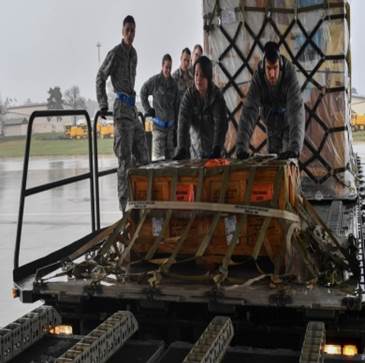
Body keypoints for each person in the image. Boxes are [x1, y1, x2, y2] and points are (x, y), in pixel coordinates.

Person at [96, 15, 149, 212]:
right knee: (124, 161)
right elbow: (100, 76)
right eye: (127, 30)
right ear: (122, 31)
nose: (130, 34)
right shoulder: (115, 54)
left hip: (133, 111)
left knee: (143, 156)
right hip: (120, 112)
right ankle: (124, 209)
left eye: (133, 30)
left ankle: (142, 203)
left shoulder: (134, 54)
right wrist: (102, 104)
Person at [236, 41, 305, 160]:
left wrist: (295, 147)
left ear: (281, 65)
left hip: (288, 120)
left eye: (275, 68)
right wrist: (241, 147)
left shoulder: (289, 73)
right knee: (273, 159)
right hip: (271, 120)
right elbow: (249, 111)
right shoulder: (258, 77)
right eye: (269, 68)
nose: (272, 74)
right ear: (263, 66)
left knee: (289, 159)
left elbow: (296, 110)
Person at [174, 55, 228, 160]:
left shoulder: (216, 96)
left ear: (208, 77)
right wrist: (181, 148)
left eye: (202, 75)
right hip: (196, 153)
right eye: (196, 74)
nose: (198, 79)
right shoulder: (189, 96)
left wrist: (217, 148)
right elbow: (183, 123)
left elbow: (221, 124)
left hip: (215, 153)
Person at [140, 54, 179, 161]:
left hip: (170, 131)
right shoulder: (155, 81)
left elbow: (177, 106)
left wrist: (176, 129)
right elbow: (143, 92)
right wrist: (148, 109)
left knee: (171, 162)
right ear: (162, 66)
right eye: (166, 67)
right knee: (158, 162)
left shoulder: (174, 84)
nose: (168, 70)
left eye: (170, 67)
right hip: (158, 130)